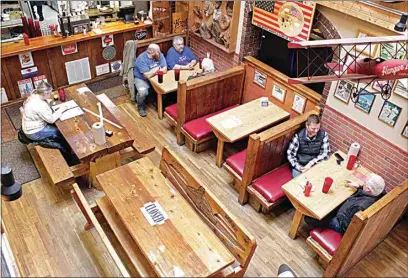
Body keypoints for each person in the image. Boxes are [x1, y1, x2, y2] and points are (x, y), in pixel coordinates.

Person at [305, 174, 386, 234]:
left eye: (365, 184)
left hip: (339, 224)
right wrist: (359, 187)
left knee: (309, 218)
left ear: (368, 189)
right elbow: (367, 193)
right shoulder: (378, 194)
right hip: (344, 214)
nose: (363, 183)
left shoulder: (360, 206)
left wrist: (336, 210)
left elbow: (346, 226)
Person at [20, 81, 72, 161]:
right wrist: (62, 109)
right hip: (34, 132)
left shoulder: (33, 96)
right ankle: (67, 152)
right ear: (45, 93)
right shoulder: (40, 105)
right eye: (49, 93)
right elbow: (51, 120)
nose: (50, 95)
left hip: (28, 126)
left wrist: (48, 101)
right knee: (61, 132)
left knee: (57, 127)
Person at [134, 43, 167, 117]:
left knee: (165, 87)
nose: (159, 53)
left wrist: (152, 72)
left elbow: (165, 70)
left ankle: (158, 103)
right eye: (157, 51)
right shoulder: (141, 59)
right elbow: (147, 76)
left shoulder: (159, 55)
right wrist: (156, 69)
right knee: (142, 92)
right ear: (151, 52)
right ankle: (140, 107)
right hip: (142, 79)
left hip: (156, 76)